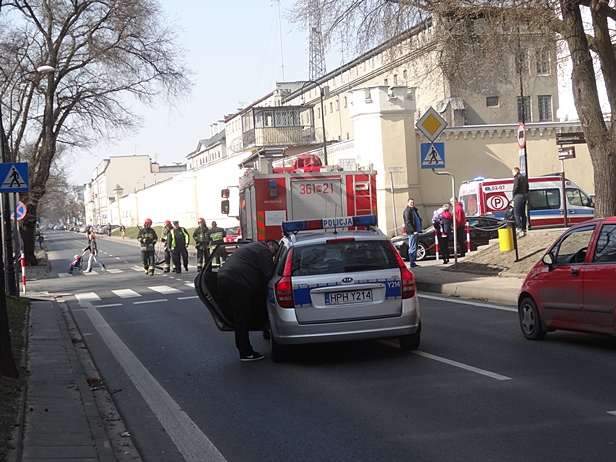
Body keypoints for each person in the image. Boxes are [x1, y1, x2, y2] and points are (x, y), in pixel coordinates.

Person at [217, 240, 280, 362]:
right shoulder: (263, 250)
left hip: (224, 278)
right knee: (242, 318)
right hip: (237, 281)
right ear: (270, 244)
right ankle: (246, 352)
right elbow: (269, 273)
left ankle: (245, 350)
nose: (274, 254)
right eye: (275, 251)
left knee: (240, 316)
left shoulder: (253, 248)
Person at [402, 198, 423, 268]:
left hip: (416, 231)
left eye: (413, 202)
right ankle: (412, 263)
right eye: (411, 202)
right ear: (408, 203)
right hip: (412, 232)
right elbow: (408, 222)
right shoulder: (407, 211)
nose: (412, 204)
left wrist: (419, 220)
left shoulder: (414, 210)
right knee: (412, 248)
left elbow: (414, 219)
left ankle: (413, 262)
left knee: (415, 247)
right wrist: (413, 231)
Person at [512, 166, 529, 237]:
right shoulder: (524, 178)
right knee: (523, 213)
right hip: (524, 196)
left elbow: (515, 187)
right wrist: (525, 193)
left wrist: (514, 195)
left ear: (516, 171)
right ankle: (524, 228)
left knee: (516, 212)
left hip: (518, 196)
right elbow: (527, 187)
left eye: (513, 172)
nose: (512, 174)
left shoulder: (517, 177)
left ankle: (519, 228)